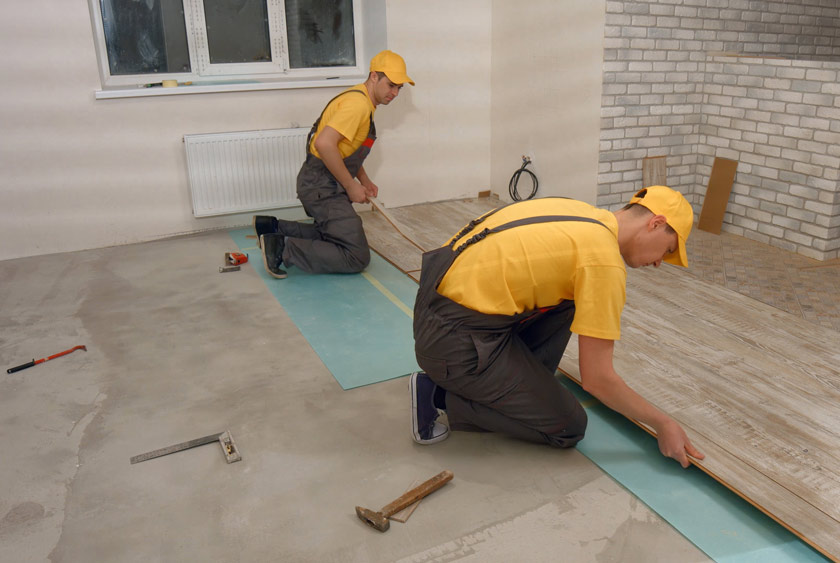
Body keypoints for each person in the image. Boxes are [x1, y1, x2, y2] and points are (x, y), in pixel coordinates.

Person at [409, 186, 706, 468]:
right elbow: (597, 380)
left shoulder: (581, 213)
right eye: (667, 251)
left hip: (437, 304)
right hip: (453, 340)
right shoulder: (602, 262)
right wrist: (663, 423)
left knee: (569, 299)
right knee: (568, 425)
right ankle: (436, 394)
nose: (659, 264)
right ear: (655, 223)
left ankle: (510, 384)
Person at [253, 50, 414, 279]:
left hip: (321, 182)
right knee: (356, 255)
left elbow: (344, 151)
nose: (395, 93)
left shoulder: (361, 100)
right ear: (374, 77)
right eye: (391, 85)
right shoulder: (357, 105)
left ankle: (273, 228)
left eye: (400, 88)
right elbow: (325, 144)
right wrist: (350, 186)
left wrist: (364, 180)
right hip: (322, 187)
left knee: (337, 233)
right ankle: (283, 247)